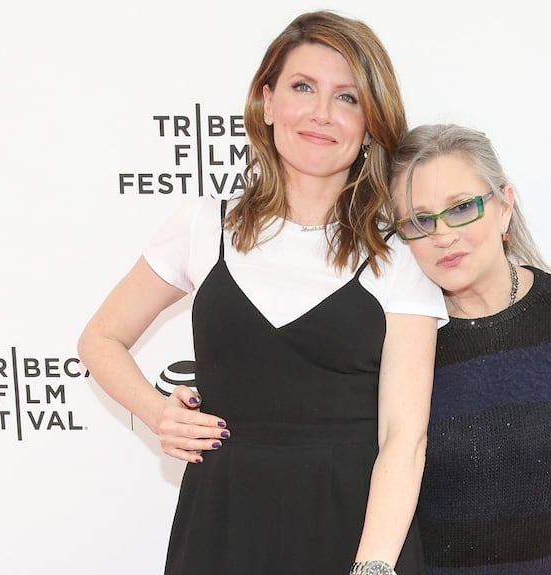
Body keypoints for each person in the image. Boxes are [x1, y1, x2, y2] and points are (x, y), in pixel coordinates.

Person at [78, 11, 446, 575]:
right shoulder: (204, 225)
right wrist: (157, 413)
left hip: (353, 531)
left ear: (371, 122)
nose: (322, 113)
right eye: (304, 88)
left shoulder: (399, 255)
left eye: (348, 98)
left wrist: (372, 567)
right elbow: (100, 339)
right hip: (222, 523)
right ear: (268, 103)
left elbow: (404, 438)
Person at [388, 124, 551, 575]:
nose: (442, 235)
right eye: (419, 220)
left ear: (504, 206)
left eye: (461, 209)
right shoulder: (401, 342)